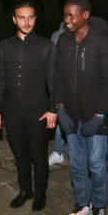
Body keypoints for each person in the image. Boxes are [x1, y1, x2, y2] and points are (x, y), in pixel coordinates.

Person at [55, 0, 108, 215]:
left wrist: (100, 116)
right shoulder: (63, 41)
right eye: (65, 15)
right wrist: (60, 108)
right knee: (77, 164)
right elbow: (58, 75)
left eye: (72, 16)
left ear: (85, 15)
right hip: (72, 115)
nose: (67, 20)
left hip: (97, 117)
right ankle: (82, 204)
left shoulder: (102, 43)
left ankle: (99, 206)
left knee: (97, 164)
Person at [0, 0, 56, 211]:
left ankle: (40, 192)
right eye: (21, 17)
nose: (26, 22)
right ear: (14, 19)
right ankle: (25, 190)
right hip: (12, 112)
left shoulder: (47, 46)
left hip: (38, 111)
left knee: (39, 156)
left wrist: (53, 110)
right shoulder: (3, 47)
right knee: (20, 155)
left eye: (30, 17)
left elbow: (53, 81)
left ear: (35, 18)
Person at [48, 21, 67, 166]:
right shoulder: (57, 35)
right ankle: (58, 151)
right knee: (61, 117)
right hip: (61, 84)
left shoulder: (87, 33)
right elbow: (51, 62)